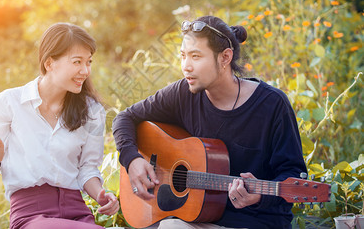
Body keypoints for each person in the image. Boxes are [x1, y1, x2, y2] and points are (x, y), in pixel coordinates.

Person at [112, 16, 307, 229]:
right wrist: (132, 159)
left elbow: (294, 175)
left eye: (196, 56)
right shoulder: (183, 93)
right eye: (183, 56)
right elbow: (125, 117)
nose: (186, 66)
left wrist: (260, 197)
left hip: (256, 222)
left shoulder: (272, 104)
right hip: (198, 221)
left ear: (225, 58)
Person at [0, 23, 119, 229]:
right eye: (77, 62)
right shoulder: (9, 103)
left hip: (78, 213)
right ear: (49, 63)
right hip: (31, 215)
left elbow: (87, 169)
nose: (85, 70)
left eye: (88, 62)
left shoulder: (92, 111)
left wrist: (101, 195)